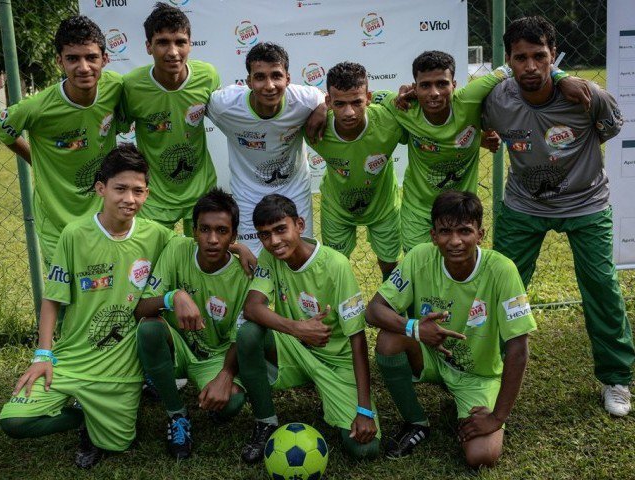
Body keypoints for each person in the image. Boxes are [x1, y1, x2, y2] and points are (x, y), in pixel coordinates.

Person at [483, 15, 635, 417]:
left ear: (553, 56)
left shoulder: (587, 96)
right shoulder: (497, 100)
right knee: (502, 285)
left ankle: (616, 377)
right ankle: (487, 369)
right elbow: (472, 120)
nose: (530, 67)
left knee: (601, 286)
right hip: (523, 205)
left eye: (540, 56)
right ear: (509, 60)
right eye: (521, 58)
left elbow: (607, 130)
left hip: (586, 204)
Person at [0, 144, 175, 468]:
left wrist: (237, 247)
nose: (129, 199)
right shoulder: (75, 235)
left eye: (138, 191)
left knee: (120, 445)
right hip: (72, 360)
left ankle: (105, 418)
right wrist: (43, 354)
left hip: (120, 371)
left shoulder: (157, 235)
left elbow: (194, 250)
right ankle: (81, 416)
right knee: (14, 421)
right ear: (100, 188)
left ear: (147, 193)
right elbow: (53, 299)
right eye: (120, 189)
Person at [366, 191, 536, 467]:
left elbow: (518, 350)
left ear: (480, 234)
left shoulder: (503, 270)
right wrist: (414, 328)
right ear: (433, 236)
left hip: (477, 374)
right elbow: (373, 310)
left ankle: (464, 404)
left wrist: (496, 418)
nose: (455, 241)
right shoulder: (420, 257)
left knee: (482, 456)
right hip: (431, 356)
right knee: (389, 340)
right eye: (445, 231)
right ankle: (416, 422)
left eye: (465, 231)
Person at [373, 51, 587, 252]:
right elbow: (366, 95)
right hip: (417, 210)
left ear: (454, 85)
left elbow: (513, 65)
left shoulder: (469, 99)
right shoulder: (403, 106)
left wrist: (561, 77)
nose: (434, 93)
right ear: (414, 87)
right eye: (425, 85)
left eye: (442, 84)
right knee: (416, 267)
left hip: (461, 208)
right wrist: (400, 93)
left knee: (460, 269)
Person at [236, 194, 380, 463]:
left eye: (281, 229)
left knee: (364, 449)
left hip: (336, 361)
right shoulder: (270, 258)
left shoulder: (336, 265)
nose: (274, 242)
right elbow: (252, 307)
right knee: (248, 333)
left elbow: (358, 340)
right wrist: (297, 329)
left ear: (300, 225)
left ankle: (336, 395)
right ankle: (265, 420)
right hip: (295, 348)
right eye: (265, 235)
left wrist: (364, 409)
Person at [0, 16, 122, 266]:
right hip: (56, 222)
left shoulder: (115, 87)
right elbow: (2, 128)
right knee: (68, 297)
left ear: (104, 59)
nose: (83, 67)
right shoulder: (36, 107)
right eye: (73, 58)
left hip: (104, 213)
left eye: (91, 57)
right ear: (59, 61)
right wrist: (35, 158)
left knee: (107, 288)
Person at [134, 188, 250, 460]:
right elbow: (140, 309)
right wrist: (173, 296)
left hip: (214, 355)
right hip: (176, 344)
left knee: (232, 403)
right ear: (194, 231)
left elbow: (240, 336)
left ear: (233, 236)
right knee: (149, 328)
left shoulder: (244, 275)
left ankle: (206, 386)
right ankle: (177, 415)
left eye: (222, 231)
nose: (212, 239)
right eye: (204, 230)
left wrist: (225, 376)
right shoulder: (176, 249)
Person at [206, 42, 326, 256]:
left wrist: (323, 107)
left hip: (294, 189)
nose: (269, 85)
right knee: (253, 259)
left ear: (288, 79)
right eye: (260, 77)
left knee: (301, 253)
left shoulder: (305, 100)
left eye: (276, 76)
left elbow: (327, 97)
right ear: (248, 81)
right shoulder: (224, 105)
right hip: (248, 194)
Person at [121, 2, 219, 237]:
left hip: (201, 189)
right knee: (151, 265)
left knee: (202, 265)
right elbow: (112, 129)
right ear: (148, 47)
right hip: (154, 196)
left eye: (180, 42)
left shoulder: (207, 76)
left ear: (190, 44)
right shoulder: (132, 86)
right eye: (163, 42)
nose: (173, 52)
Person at [305, 61, 405, 280]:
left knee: (390, 266)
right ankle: (344, 313)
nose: (349, 112)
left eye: (357, 102)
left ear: (368, 98)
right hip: (337, 209)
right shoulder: (313, 127)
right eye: (339, 104)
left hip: (383, 207)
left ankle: (390, 311)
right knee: (335, 268)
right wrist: (318, 108)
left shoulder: (391, 123)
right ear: (328, 101)